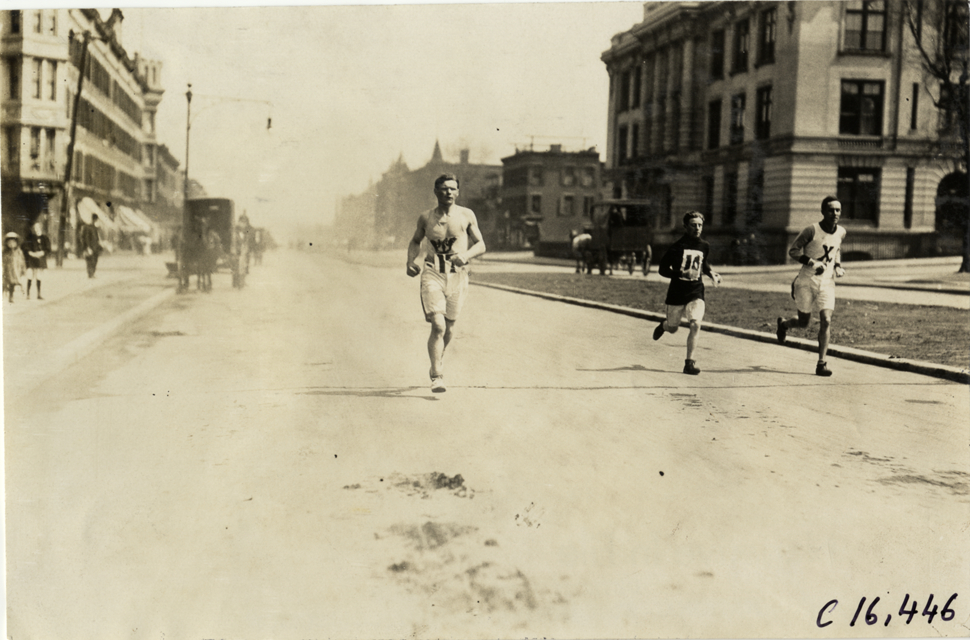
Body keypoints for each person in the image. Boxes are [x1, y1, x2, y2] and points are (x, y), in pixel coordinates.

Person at [406, 174, 487, 393]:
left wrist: (466, 256)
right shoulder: (426, 217)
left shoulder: (466, 215)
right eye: (443, 189)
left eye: (452, 189)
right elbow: (415, 241)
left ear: (458, 192)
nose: (448, 192)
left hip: (458, 274)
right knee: (438, 325)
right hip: (433, 273)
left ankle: (437, 359)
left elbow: (481, 244)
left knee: (449, 326)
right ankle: (437, 376)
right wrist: (410, 261)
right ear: (436, 192)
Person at [776, 195, 846, 376]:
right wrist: (811, 262)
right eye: (831, 210)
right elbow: (793, 251)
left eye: (838, 210)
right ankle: (784, 324)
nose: (835, 213)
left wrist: (837, 265)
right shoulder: (811, 230)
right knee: (803, 322)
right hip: (806, 282)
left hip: (827, 283)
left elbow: (836, 248)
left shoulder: (841, 232)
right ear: (823, 211)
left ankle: (821, 363)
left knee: (827, 320)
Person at [652, 211, 722, 375]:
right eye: (693, 225)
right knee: (673, 327)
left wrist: (711, 273)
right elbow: (662, 269)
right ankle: (664, 326)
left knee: (695, 324)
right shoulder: (676, 247)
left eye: (700, 225)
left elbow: (702, 264)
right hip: (677, 293)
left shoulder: (705, 245)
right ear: (685, 227)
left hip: (695, 291)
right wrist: (678, 274)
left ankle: (689, 363)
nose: (697, 228)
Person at [22, 219, 51, 300]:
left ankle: (39, 294)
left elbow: (48, 248)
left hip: (40, 259)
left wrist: (42, 253)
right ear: (32, 229)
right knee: (30, 275)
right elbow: (25, 248)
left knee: (39, 276)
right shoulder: (29, 238)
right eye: (35, 228)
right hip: (31, 259)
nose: (36, 229)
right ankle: (28, 294)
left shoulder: (44, 238)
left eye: (38, 227)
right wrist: (31, 253)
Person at [3, 232, 27, 303]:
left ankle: (11, 296)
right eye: (9, 243)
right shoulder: (5, 252)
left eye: (13, 242)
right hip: (8, 270)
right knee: (6, 283)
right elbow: (3, 261)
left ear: (16, 243)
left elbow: (22, 261)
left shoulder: (19, 252)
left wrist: (23, 270)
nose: (11, 244)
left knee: (12, 284)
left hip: (16, 270)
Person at [78, 213, 102, 278]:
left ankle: (92, 273)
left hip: (95, 247)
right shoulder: (88, 227)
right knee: (90, 261)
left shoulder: (94, 228)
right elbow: (87, 238)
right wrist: (88, 247)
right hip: (90, 247)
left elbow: (96, 238)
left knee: (94, 261)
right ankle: (90, 274)